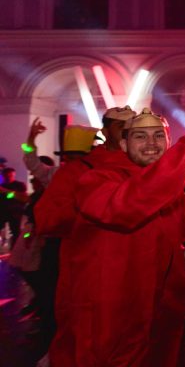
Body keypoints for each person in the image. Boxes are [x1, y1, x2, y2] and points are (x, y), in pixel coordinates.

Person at [47, 108, 185, 367]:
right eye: (140, 136)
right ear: (123, 143)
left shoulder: (171, 189)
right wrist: (183, 152)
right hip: (108, 315)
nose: (151, 144)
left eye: (159, 136)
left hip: (159, 315)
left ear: (167, 142)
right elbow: (126, 206)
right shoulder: (95, 178)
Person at [35, 107, 135, 364]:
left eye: (133, 128)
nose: (128, 132)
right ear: (105, 132)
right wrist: (92, 207)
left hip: (137, 275)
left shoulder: (148, 167)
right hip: (92, 272)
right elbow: (48, 218)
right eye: (120, 127)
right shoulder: (78, 171)